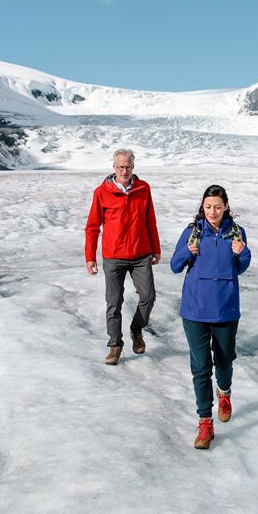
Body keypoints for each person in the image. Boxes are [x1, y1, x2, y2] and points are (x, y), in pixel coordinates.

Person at [170, 185, 251, 449]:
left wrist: (243, 253)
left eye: (217, 206)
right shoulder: (192, 233)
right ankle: (205, 421)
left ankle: (224, 392)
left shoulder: (236, 233)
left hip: (225, 308)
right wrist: (187, 251)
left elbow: (239, 268)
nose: (212, 211)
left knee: (224, 359)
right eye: (208, 207)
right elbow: (174, 266)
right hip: (194, 310)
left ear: (226, 206)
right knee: (201, 367)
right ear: (202, 207)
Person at [85, 148, 161, 365]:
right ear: (114, 167)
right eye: (120, 167)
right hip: (114, 256)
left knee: (148, 296)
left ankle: (136, 329)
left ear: (133, 167)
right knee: (114, 302)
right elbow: (92, 227)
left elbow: (150, 222)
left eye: (128, 166)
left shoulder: (143, 189)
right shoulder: (102, 192)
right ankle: (115, 345)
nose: (124, 170)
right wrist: (90, 257)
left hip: (141, 254)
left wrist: (156, 249)